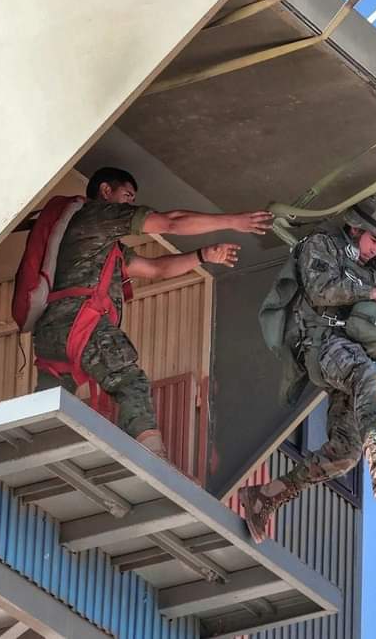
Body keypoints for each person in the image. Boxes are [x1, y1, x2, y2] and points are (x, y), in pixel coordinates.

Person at [31, 166, 273, 457]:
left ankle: (33, 443)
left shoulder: (101, 245)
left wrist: (202, 256)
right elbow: (169, 223)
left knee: (48, 408)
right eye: (127, 196)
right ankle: (152, 455)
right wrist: (235, 221)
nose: (130, 205)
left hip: (50, 335)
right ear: (106, 191)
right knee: (129, 381)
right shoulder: (99, 215)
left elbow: (157, 269)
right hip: (82, 325)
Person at [241, 195, 376, 543]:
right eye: (374, 240)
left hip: (350, 353)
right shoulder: (321, 244)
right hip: (320, 343)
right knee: (368, 376)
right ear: (357, 227)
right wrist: (371, 294)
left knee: (345, 453)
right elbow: (320, 290)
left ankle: (266, 496)